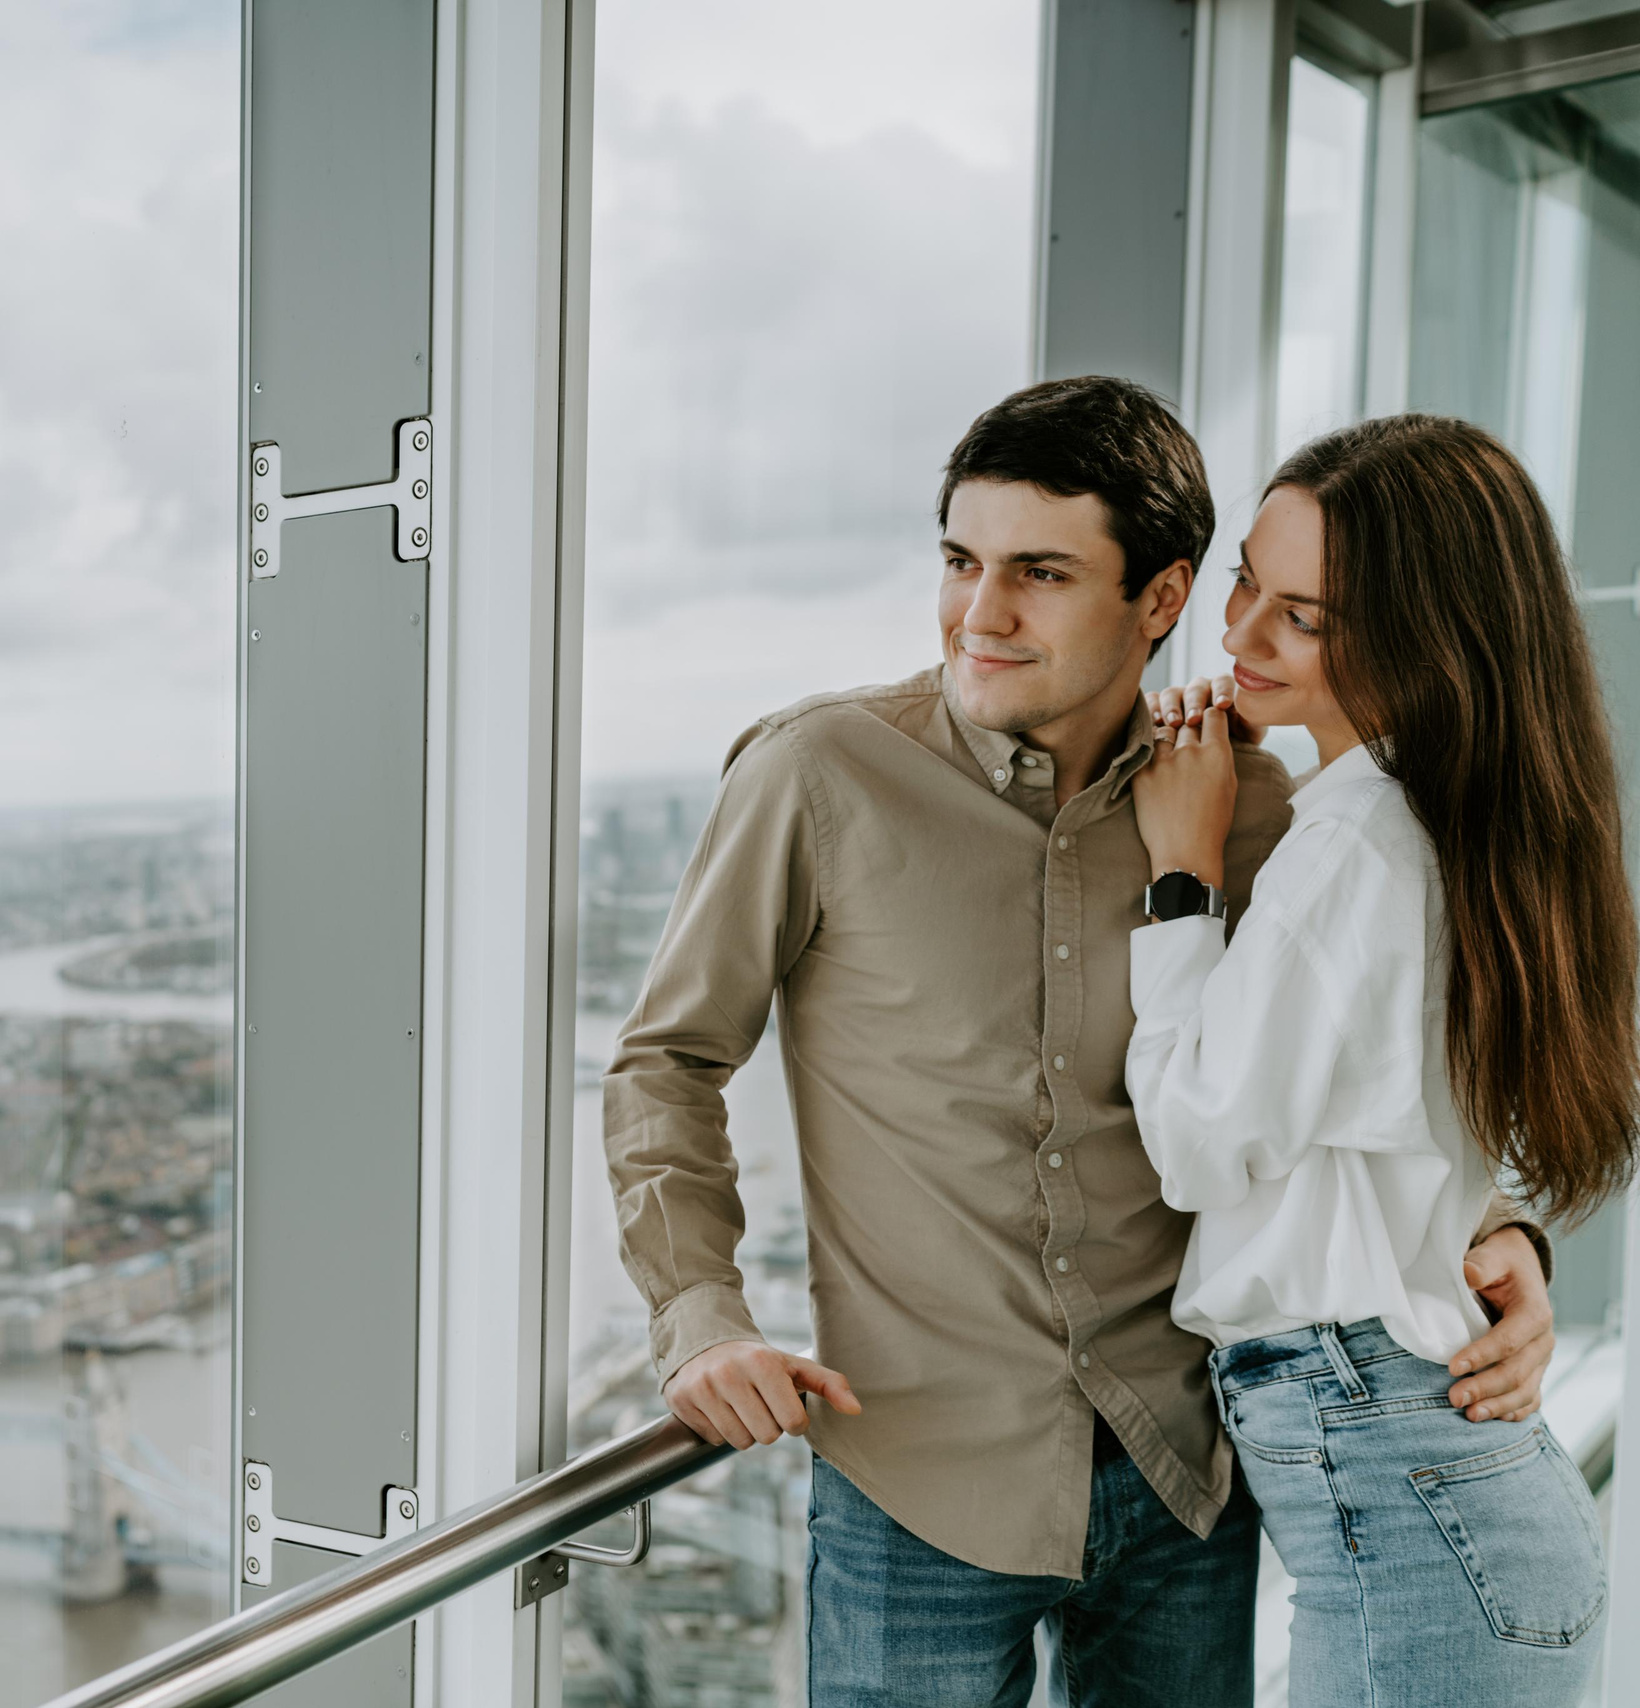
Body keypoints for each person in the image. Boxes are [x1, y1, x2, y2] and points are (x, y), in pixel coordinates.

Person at [602, 377, 1563, 1708]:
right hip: (917, 1485)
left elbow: (1357, 1051)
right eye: (959, 561)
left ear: (1161, 598)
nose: (978, 615)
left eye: (1039, 573)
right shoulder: (817, 776)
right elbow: (668, 1060)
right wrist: (700, 1322)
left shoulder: (1261, 798)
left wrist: (1497, 1229)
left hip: (1192, 1476)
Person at [1124, 413, 1634, 1704]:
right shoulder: (1459, 812)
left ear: (1424, 634)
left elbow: (1196, 1140)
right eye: (1248, 578)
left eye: (1304, 617)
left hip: (1422, 1522)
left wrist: (1182, 877)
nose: (1237, 635)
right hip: (1461, 1512)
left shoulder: (1353, 841)